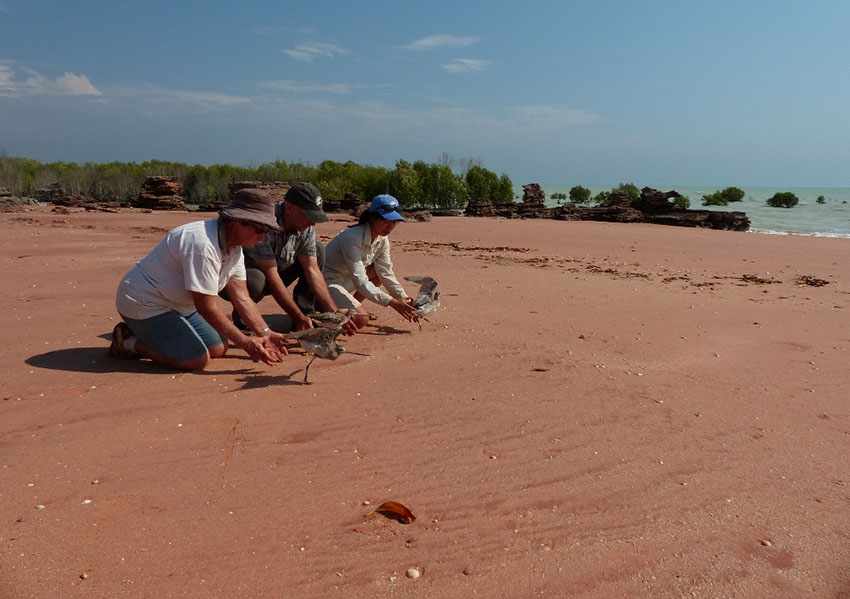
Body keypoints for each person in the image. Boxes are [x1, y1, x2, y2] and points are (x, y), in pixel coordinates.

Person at [111, 188, 289, 370]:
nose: (262, 237)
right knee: (196, 359)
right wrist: (246, 343)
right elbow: (206, 307)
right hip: (144, 302)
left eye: (266, 231)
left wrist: (265, 333)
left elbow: (241, 296)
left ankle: (154, 334)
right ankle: (127, 342)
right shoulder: (202, 245)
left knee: (218, 348)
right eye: (259, 229)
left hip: (179, 305)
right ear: (237, 222)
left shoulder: (235, 248)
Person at [222, 182, 357, 336]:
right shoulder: (265, 222)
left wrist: (334, 312)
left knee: (318, 249)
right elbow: (271, 275)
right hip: (243, 279)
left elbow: (311, 269)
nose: (312, 222)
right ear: (289, 207)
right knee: (257, 279)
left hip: (279, 270)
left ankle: (307, 314)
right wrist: (296, 316)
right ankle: (244, 317)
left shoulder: (306, 227)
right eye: (309, 216)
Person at [323, 194, 419, 329]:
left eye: (394, 222)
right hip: (327, 284)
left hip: (346, 280)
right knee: (361, 319)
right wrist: (392, 303)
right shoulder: (352, 237)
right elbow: (360, 281)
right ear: (372, 217)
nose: (390, 226)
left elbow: (386, 273)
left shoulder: (382, 240)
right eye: (386, 221)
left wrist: (404, 299)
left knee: (378, 272)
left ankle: (352, 304)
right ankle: (327, 308)